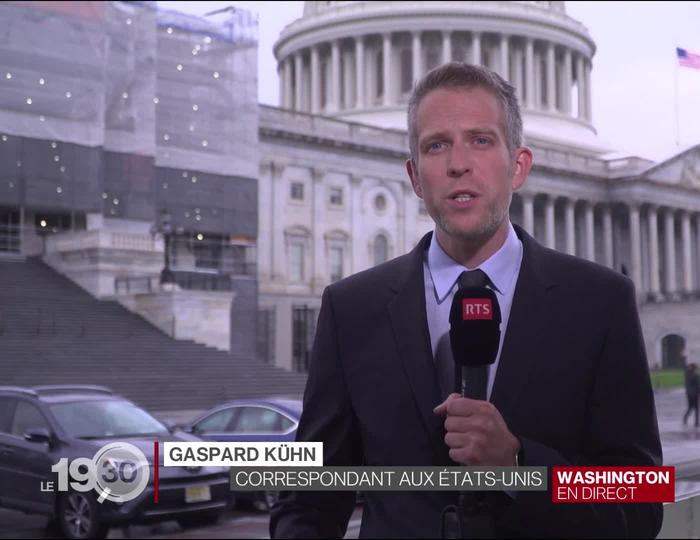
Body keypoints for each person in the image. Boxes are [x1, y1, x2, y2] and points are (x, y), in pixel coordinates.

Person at [270, 62, 663, 539]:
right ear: (415, 177)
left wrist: (519, 465)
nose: (458, 163)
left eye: (480, 140)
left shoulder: (600, 304)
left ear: (518, 165)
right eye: (437, 145)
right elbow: (308, 498)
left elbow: (639, 501)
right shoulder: (352, 310)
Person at [682, 362, 700, 428]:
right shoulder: (696, 375)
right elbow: (698, 384)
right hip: (695, 394)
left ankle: (685, 418)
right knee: (697, 408)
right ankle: (697, 423)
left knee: (690, 407)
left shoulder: (687, 374)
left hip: (689, 394)